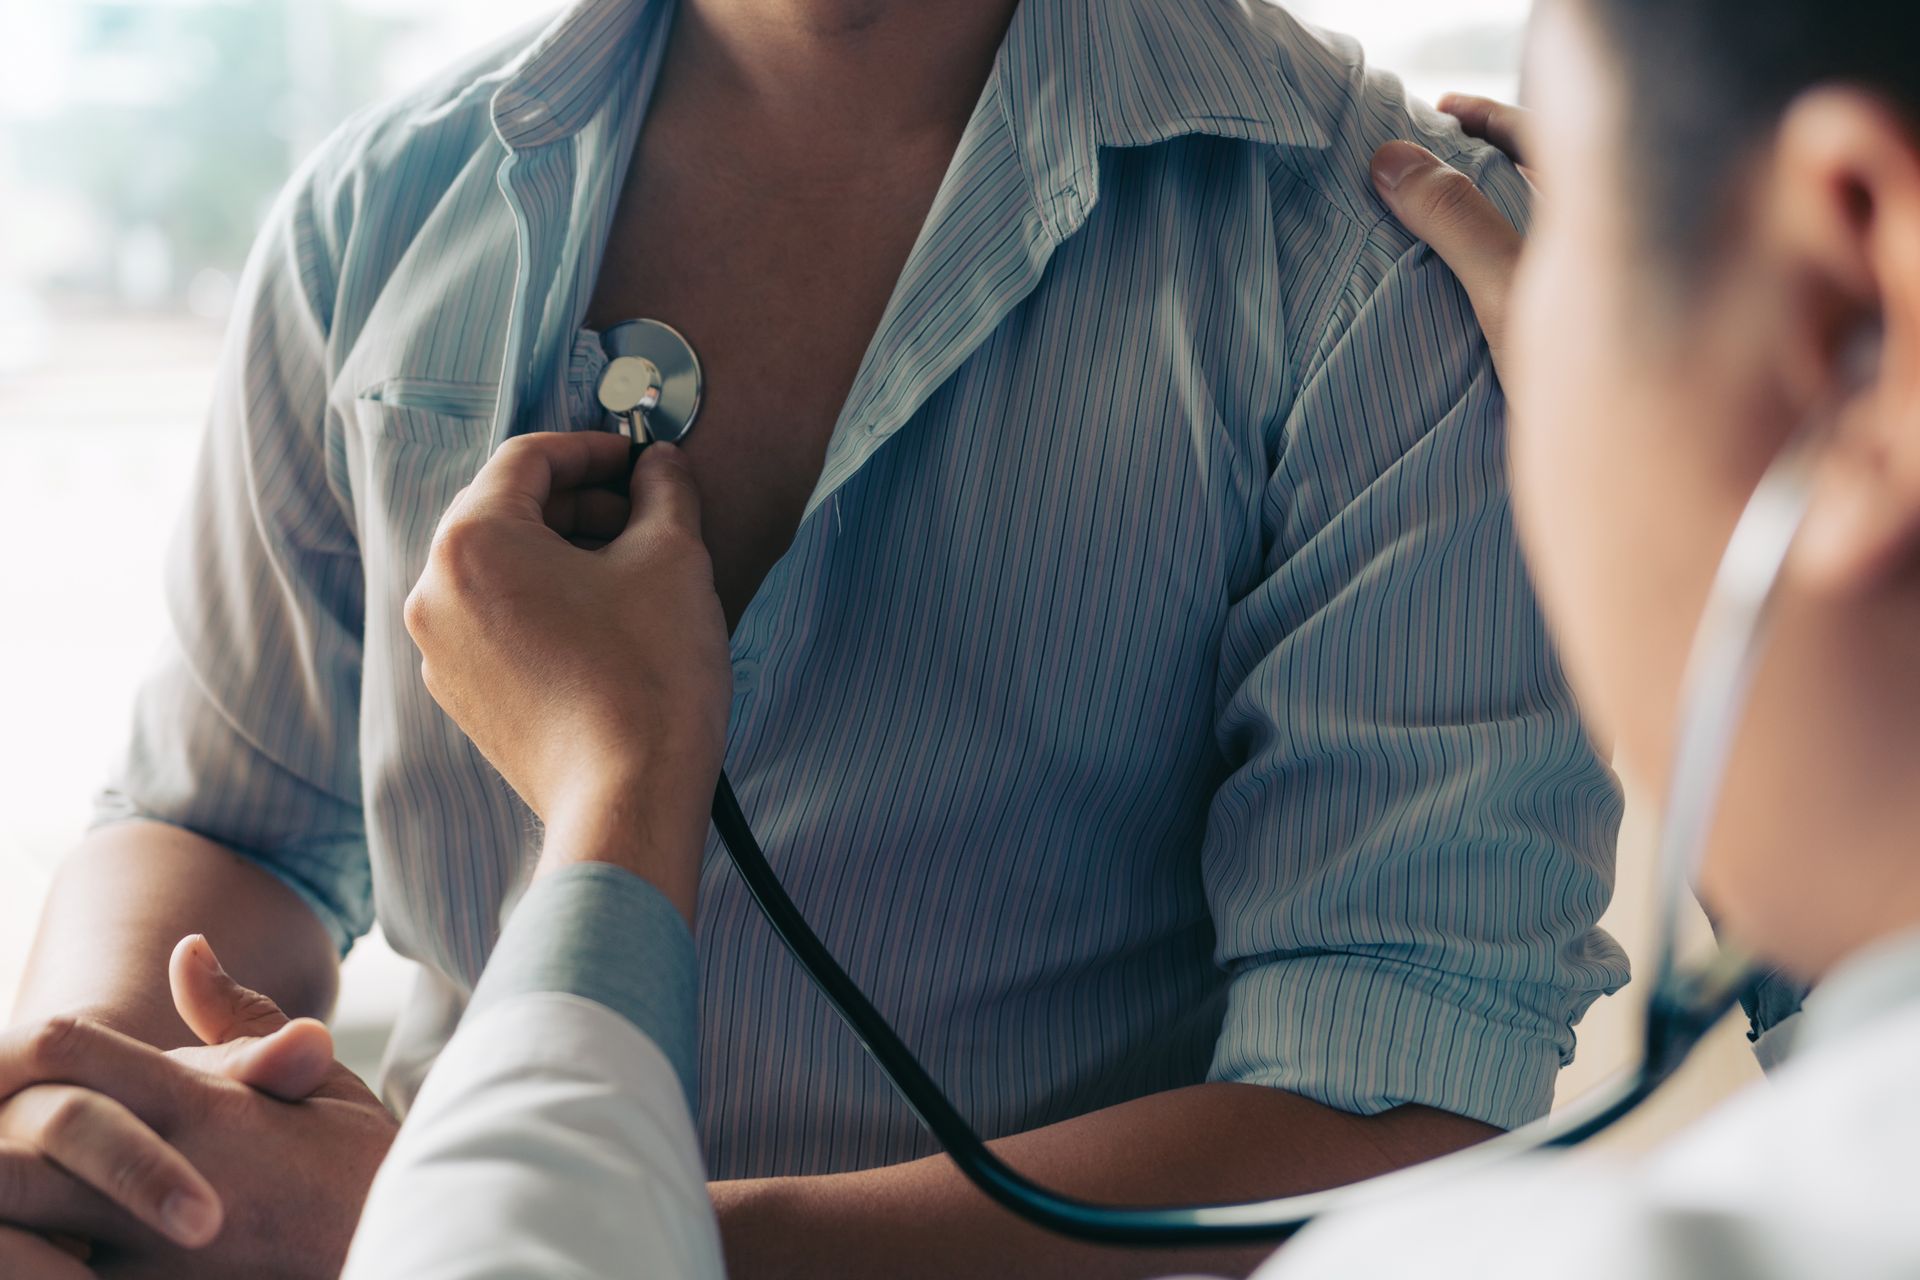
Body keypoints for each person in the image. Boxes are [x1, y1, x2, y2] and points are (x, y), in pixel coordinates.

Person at [0, 1, 1625, 1275]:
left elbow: (1392, 1114)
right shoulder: (373, 217)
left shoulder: (1386, 263)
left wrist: (490, 1236)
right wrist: (132, 1154)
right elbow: (220, 818)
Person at [319, 0, 1920, 1272]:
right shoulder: (384, 199)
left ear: (1849, 313)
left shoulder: (1347, 248)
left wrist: (619, 789)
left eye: (1593, 249)